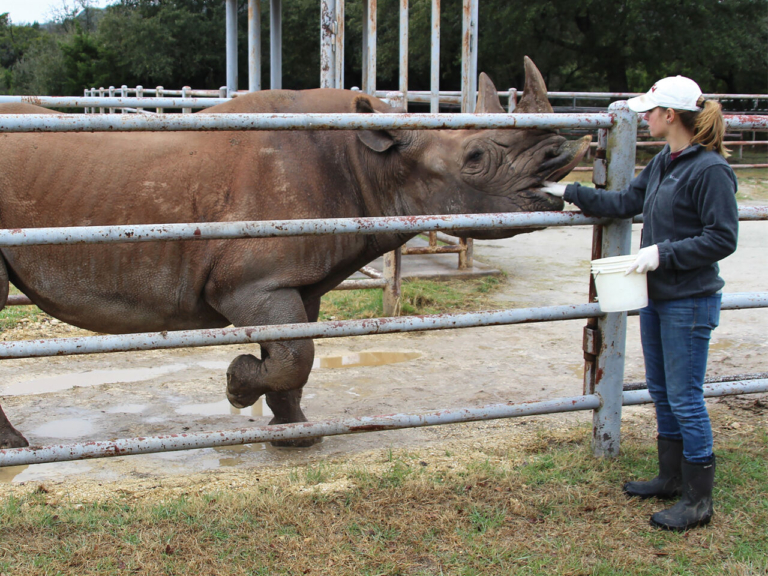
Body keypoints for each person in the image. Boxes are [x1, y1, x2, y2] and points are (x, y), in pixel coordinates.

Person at [542, 76, 738, 531]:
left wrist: (661, 253)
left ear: (671, 116)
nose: (644, 117)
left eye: (650, 111)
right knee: (662, 390)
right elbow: (625, 201)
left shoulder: (709, 170)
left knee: (686, 397)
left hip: (689, 300)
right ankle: (671, 476)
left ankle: (698, 499)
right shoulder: (666, 163)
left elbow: (722, 237)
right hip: (660, 295)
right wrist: (569, 193)